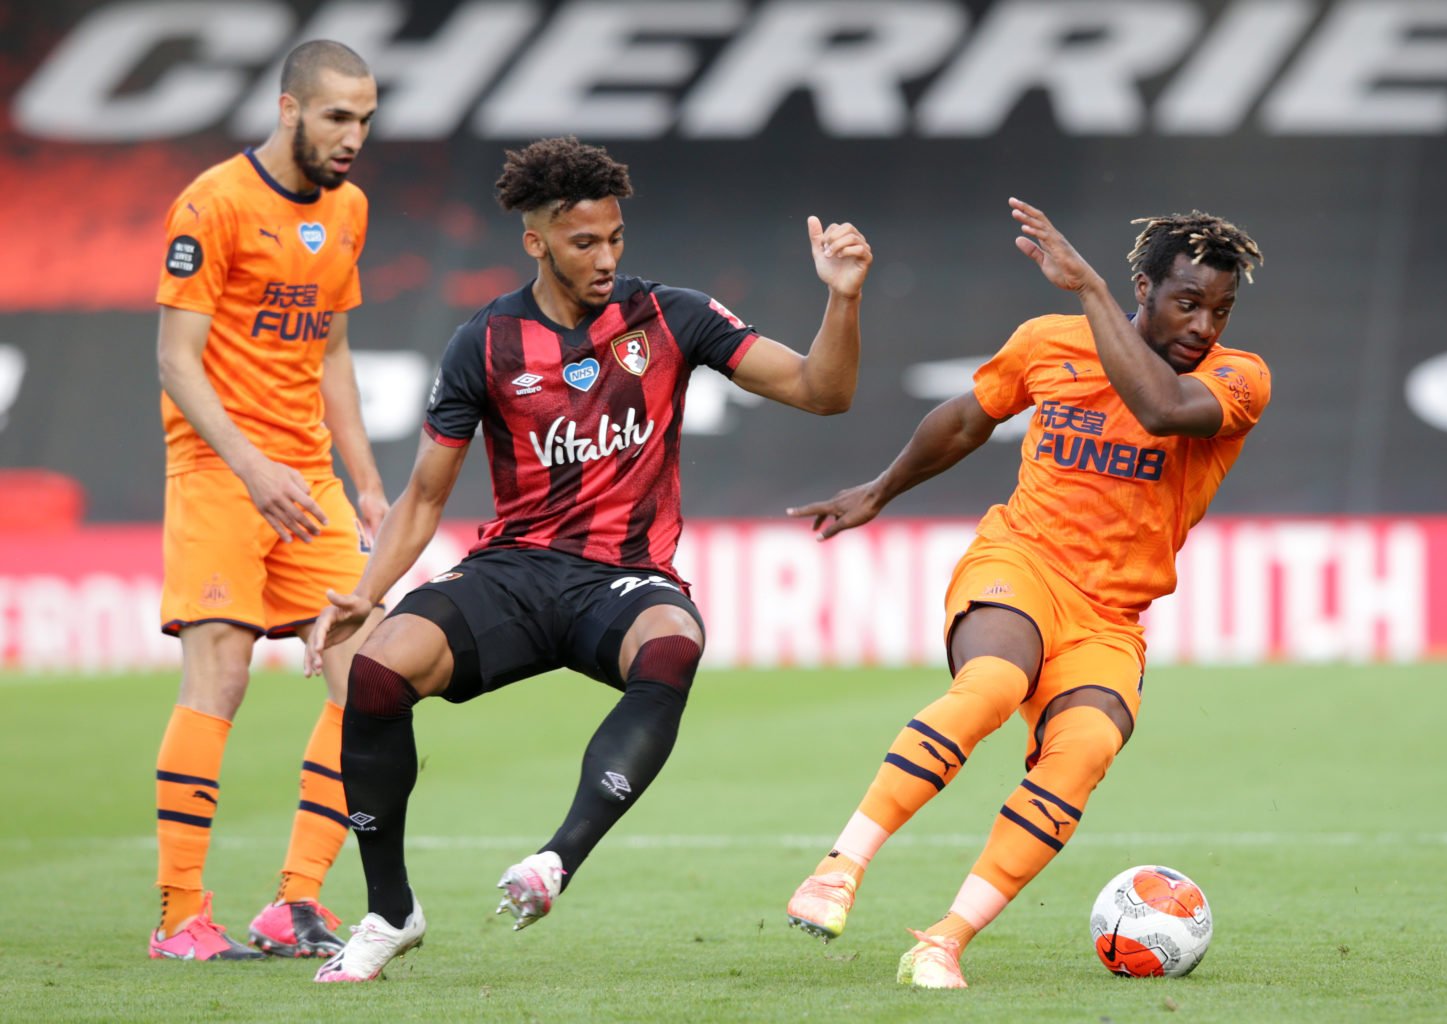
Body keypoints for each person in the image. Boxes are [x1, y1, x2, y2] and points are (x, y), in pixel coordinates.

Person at [302, 135, 872, 983]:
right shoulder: (484, 343)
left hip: (623, 577)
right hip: (516, 571)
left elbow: (823, 392)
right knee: (377, 676)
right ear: (535, 242)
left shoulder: (673, 316)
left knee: (674, 642)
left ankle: (555, 861)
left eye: (614, 239)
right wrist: (366, 594)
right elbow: (424, 497)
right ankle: (389, 913)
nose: (606, 258)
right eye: (583, 243)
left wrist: (843, 301)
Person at [784, 200, 1268, 989]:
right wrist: (882, 486)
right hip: (1022, 562)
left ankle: (944, 939)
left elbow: (1160, 408)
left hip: (1110, 616)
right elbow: (969, 420)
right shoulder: (1049, 342)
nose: (1205, 324)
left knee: (1083, 752)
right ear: (1142, 287)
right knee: (995, 682)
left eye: (1221, 308)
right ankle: (839, 868)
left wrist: (1087, 290)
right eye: (1188, 302)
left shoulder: (1239, 379)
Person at [150, 40, 388, 961]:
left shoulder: (351, 208)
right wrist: (250, 466)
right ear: (289, 109)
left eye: (365, 119)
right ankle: (178, 917)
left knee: (367, 682)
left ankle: (294, 901)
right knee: (222, 677)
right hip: (220, 469)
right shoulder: (211, 204)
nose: (354, 136)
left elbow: (329, 351)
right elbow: (175, 360)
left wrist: (364, 481)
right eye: (337, 117)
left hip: (309, 475)